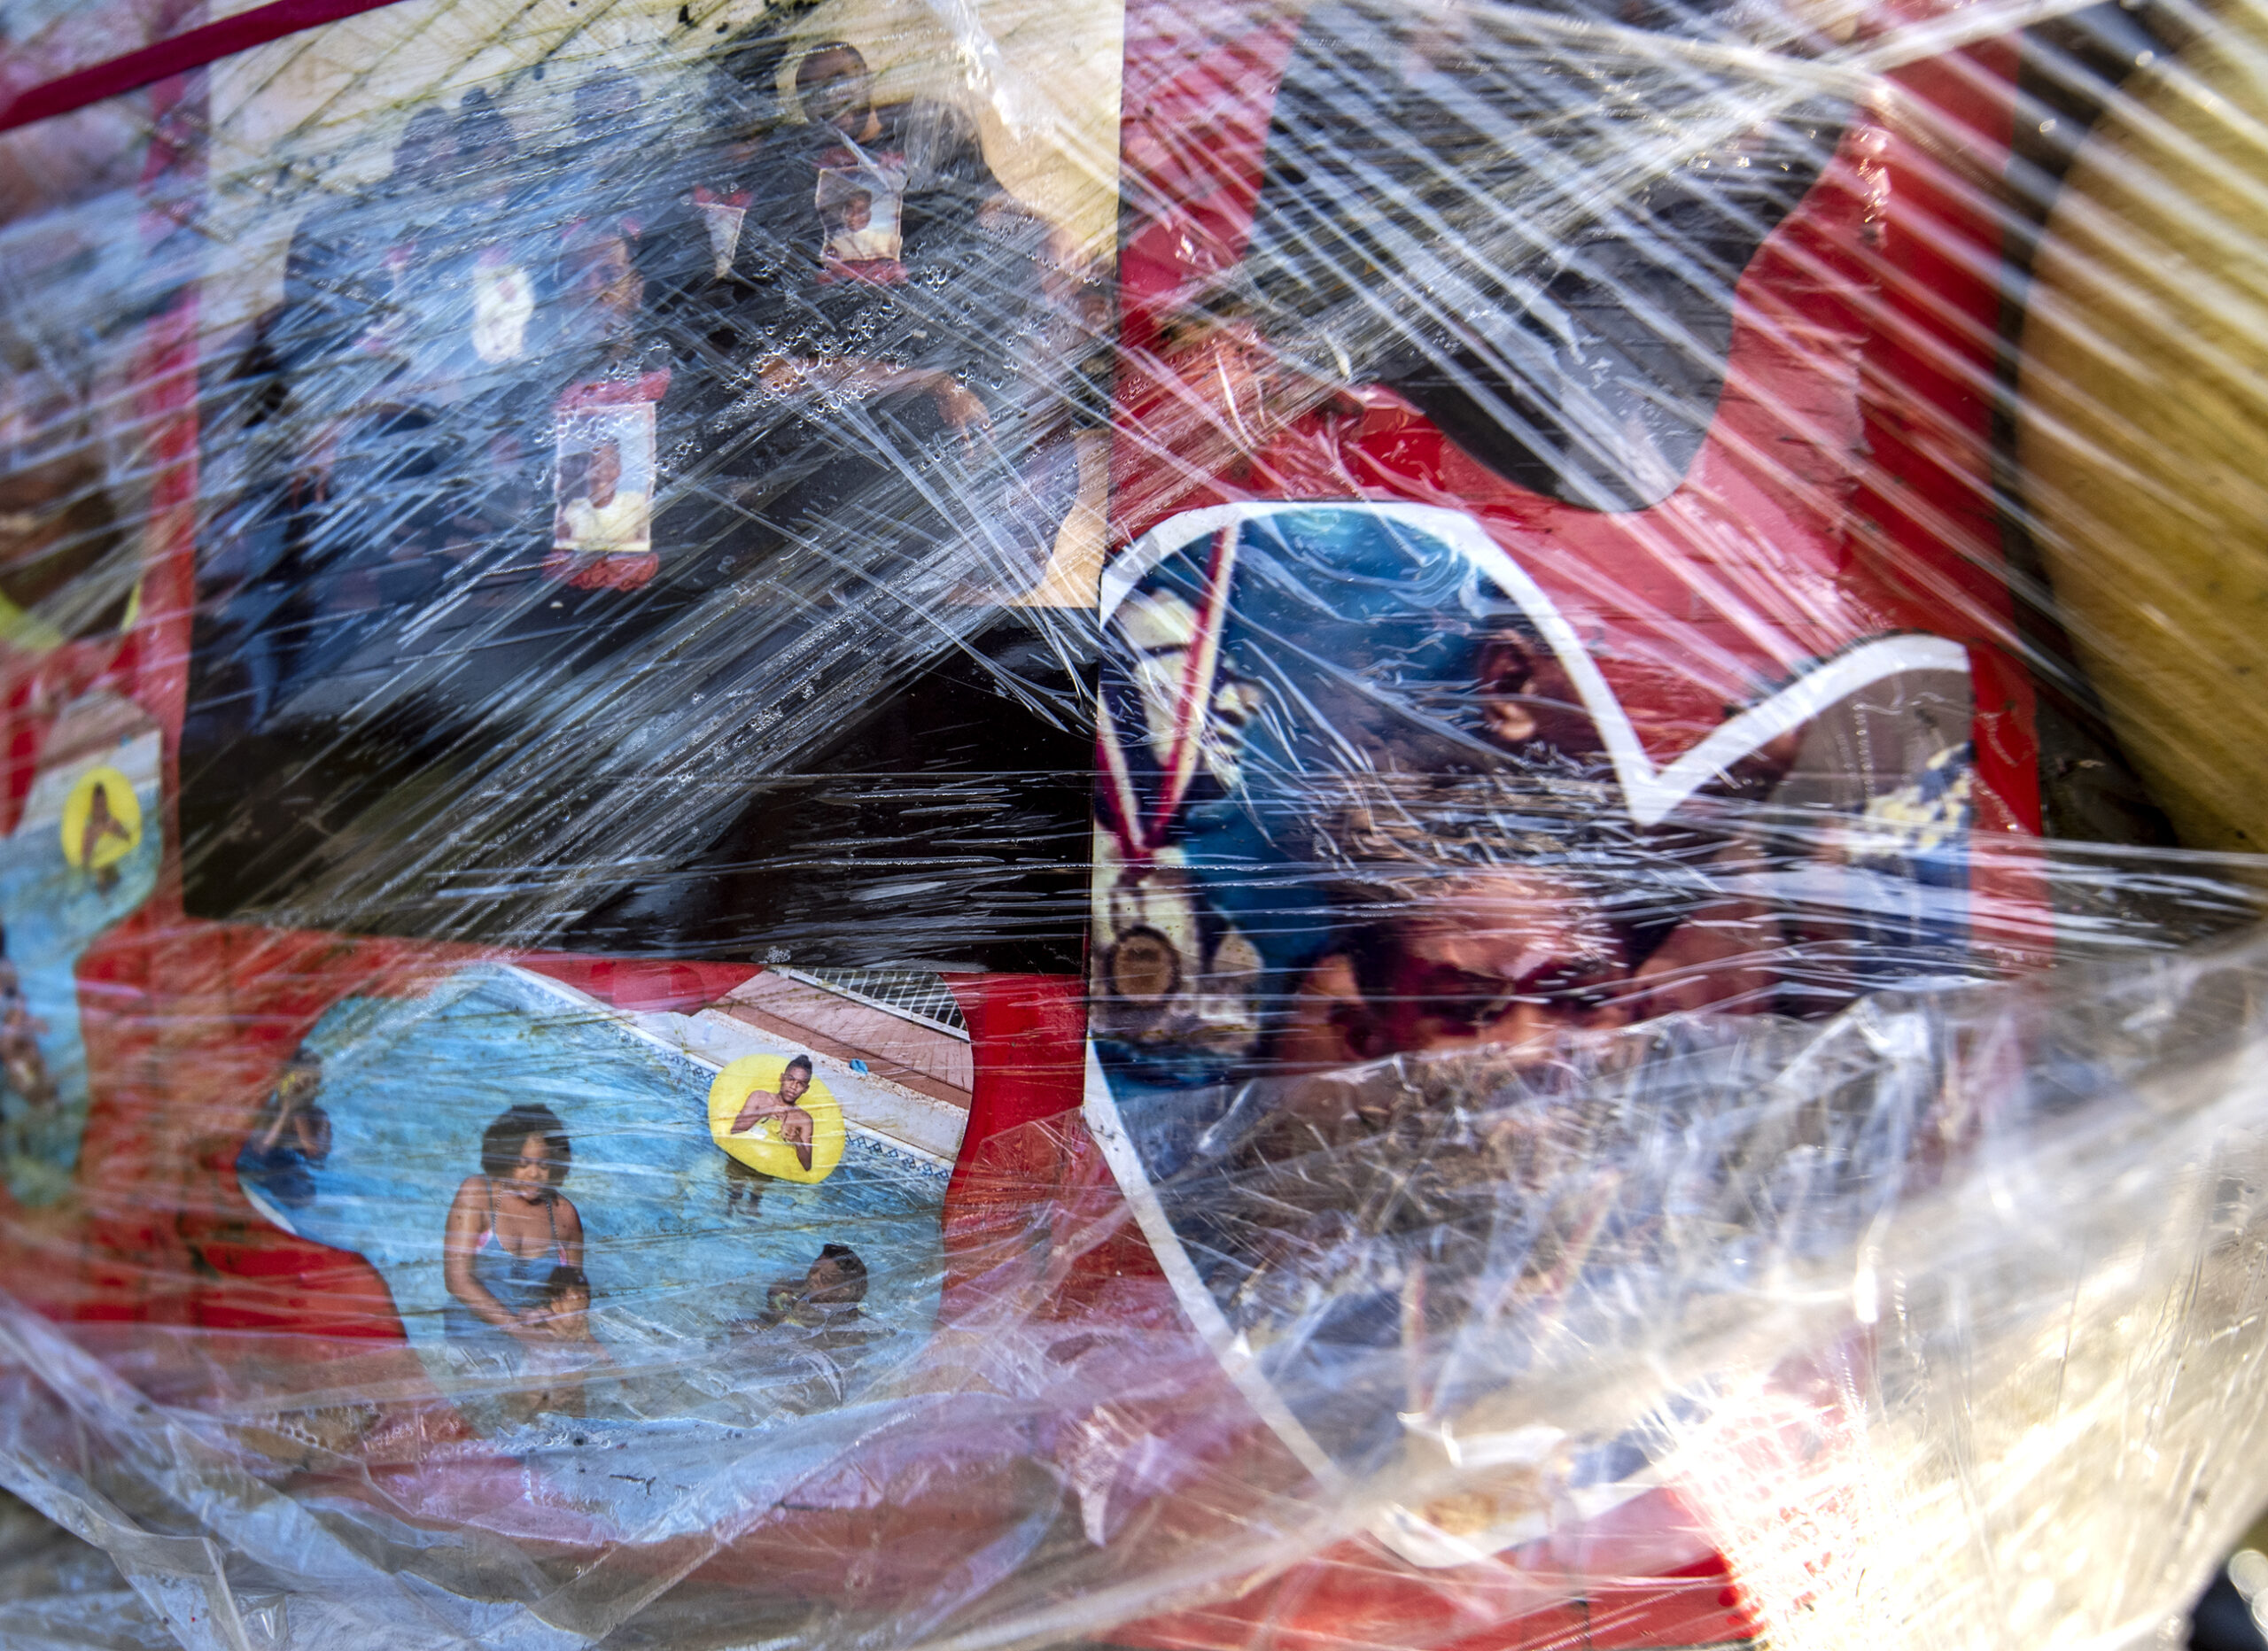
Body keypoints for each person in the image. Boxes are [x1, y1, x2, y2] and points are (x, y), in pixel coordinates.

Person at [442, 1104, 585, 1373]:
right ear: (505, 1159)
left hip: (539, 1344)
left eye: (543, 1165)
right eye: (522, 1164)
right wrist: (521, 1332)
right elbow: (457, 1280)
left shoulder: (564, 1215)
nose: (533, 1174)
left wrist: (553, 1324)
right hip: (473, 1345)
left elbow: (574, 1297)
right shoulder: (477, 1194)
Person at [508, 1264, 613, 1422]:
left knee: (578, 1394)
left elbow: (595, 1346)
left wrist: (610, 1363)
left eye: (583, 1311)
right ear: (555, 1303)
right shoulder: (545, 1318)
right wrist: (531, 1318)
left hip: (566, 1373)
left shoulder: (580, 1325)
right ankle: (531, 1424)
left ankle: (580, 1424)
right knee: (537, 1403)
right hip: (539, 1373)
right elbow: (522, 1322)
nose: (580, 1317)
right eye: (574, 1312)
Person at [237, 1045, 330, 1212]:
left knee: (303, 1196)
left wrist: (298, 1115)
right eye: (301, 1086)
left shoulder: (319, 1118)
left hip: (290, 1168)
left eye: (316, 1083)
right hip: (261, 1164)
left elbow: (316, 1158)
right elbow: (258, 1152)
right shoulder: (267, 1112)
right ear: (282, 1085)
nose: (311, 1091)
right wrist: (285, 1111)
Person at [722, 1055, 817, 1216]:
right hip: (743, 1156)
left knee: (757, 1191)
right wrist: (763, 1113)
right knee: (735, 1190)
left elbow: (807, 1165)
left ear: (806, 1089)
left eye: (800, 1084)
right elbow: (735, 1130)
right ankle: (731, 1206)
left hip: (769, 1166)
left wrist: (796, 1140)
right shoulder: (759, 1097)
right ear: (781, 1078)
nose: (793, 1086)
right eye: (790, 1079)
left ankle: (754, 1203)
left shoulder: (803, 1119)